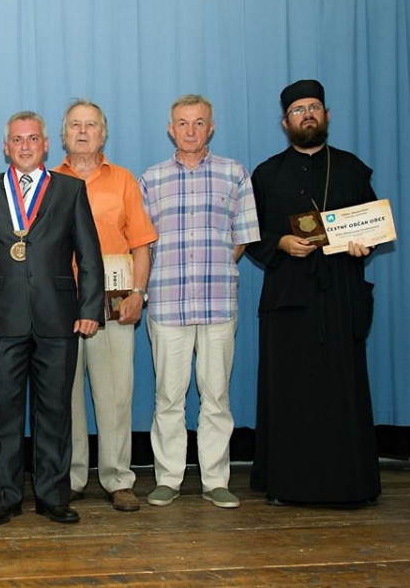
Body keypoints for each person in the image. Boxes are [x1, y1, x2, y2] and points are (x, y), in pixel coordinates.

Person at [0, 111, 104, 525]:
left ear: (45, 145)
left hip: (59, 318)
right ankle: (3, 498)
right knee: (2, 412)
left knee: (54, 411)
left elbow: (89, 255)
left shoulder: (70, 189)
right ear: (6, 147)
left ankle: (53, 497)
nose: (25, 146)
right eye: (17, 139)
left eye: (32, 138)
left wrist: (91, 309)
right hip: (1, 319)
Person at [247, 79, 381, 506]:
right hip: (288, 298)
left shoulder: (352, 169)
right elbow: (251, 234)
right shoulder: (267, 174)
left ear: (326, 115)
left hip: (339, 294)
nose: (307, 115)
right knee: (290, 392)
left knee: (342, 391)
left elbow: (371, 227)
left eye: (314, 108)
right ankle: (288, 485)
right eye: (298, 110)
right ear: (285, 122)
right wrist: (281, 243)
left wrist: (365, 244)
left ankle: (350, 484)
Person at [139, 94, 259, 510]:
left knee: (216, 396)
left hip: (217, 303)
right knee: (168, 397)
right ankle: (168, 479)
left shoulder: (234, 174)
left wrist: (216, 266)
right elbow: (142, 244)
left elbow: (242, 237)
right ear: (170, 129)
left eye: (199, 123)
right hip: (167, 303)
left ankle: (216, 480)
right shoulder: (151, 179)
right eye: (182, 123)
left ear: (211, 127)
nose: (190, 131)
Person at [53, 99, 157, 512]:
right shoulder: (48, 181)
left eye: (91, 125)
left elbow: (141, 243)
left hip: (114, 305)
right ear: (63, 135)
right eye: (75, 125)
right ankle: (73, 477)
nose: (83, 131)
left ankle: (117, 478)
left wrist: (138, 294)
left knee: (115, 395)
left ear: (103, 133)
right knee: (65, 397)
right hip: (60, 306)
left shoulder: (124, 180)